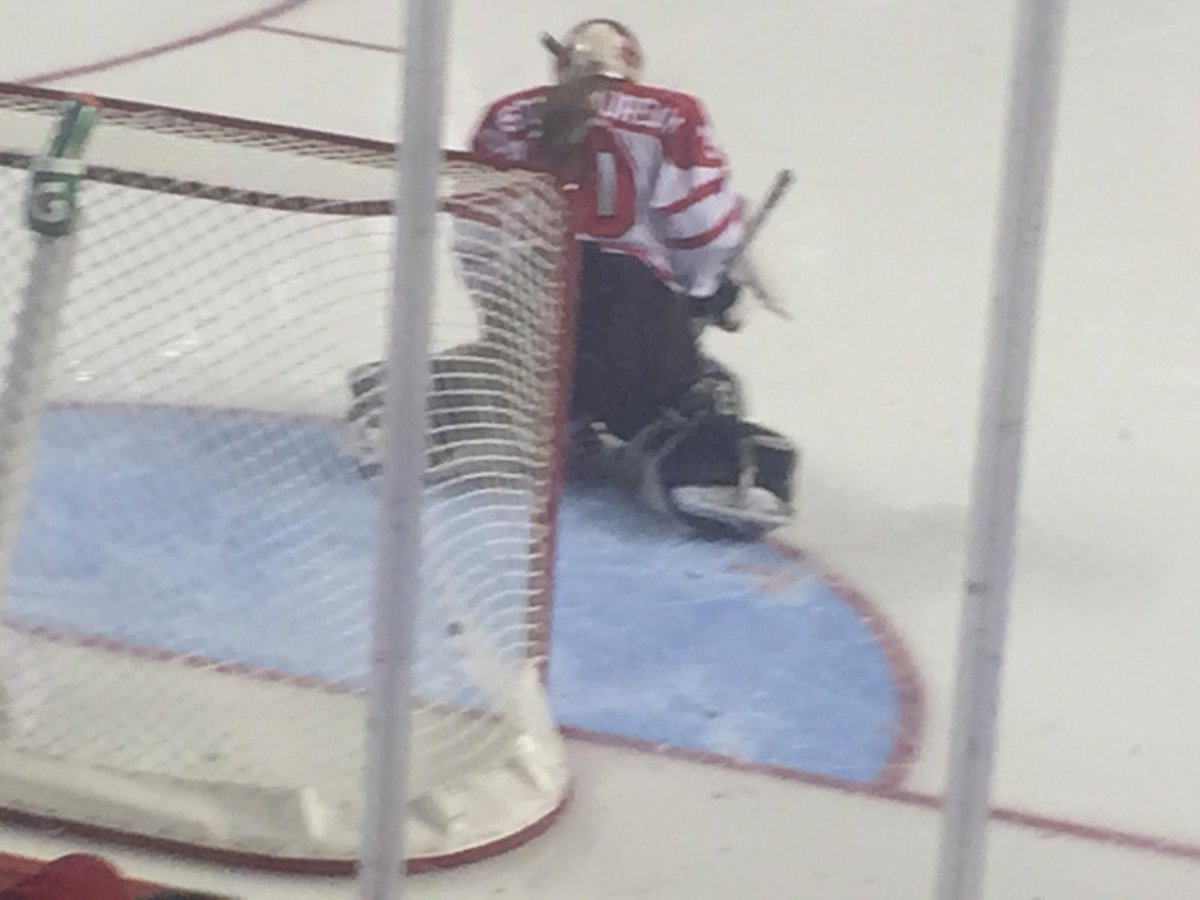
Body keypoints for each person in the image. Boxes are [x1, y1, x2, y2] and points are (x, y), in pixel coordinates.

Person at [348, 18, 796, 538]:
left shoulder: (506, 117)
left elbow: (479, 240)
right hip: (635, 315)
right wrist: (708, 289)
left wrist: (505, 322)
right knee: (701, 392)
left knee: (531, 384)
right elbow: (700, 225)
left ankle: (418, 401)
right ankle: (697, 466)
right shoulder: (675, 114)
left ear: (561, 65)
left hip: (532, 306)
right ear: (632, 65)